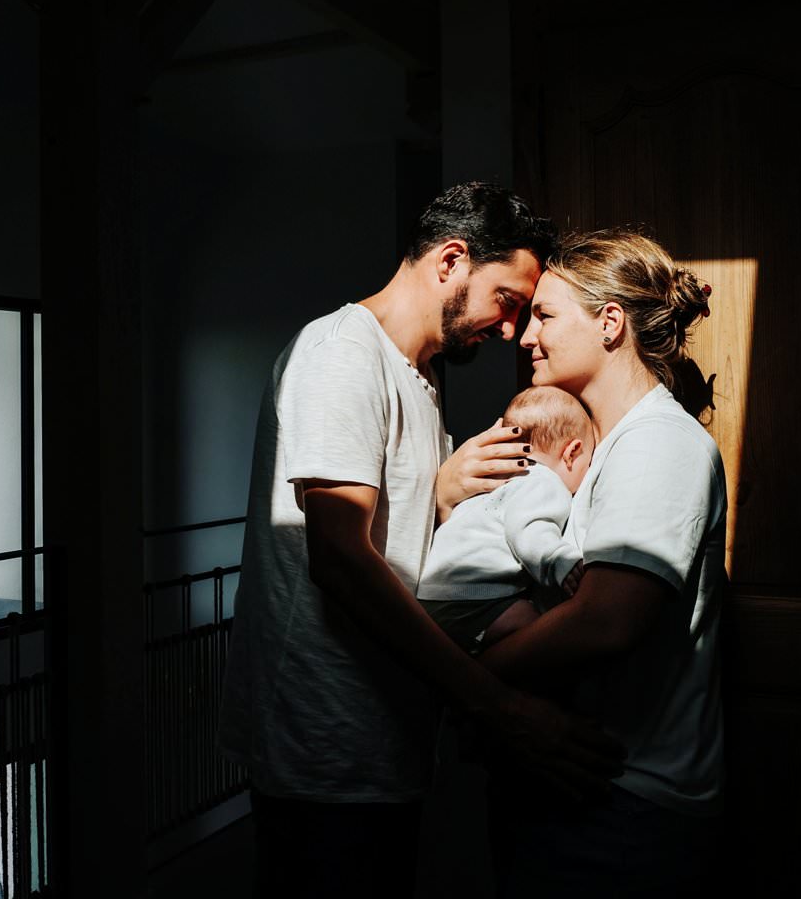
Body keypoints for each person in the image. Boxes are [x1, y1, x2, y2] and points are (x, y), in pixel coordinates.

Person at [218, 182, 624, 898]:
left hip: (381, 735)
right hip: (324, 745)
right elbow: (341, 558)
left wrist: (440, 491)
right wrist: (495, 704)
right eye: (506, 300)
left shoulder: (420, 377)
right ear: (451, 261)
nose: (510, 331)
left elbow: (386, 534)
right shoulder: (343, 352)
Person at [480, 226, 725, 897]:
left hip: (628, 806)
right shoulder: (609, 446)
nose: (527, 335)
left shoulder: (659, 446)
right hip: (586, 790)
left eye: (546, 316)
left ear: (610, 323)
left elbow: (608, 619)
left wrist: (474, 681)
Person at [415, 385, 594, 656]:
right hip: (477, 597)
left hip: (433, 594)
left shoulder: (494, 481)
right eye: (588, 462)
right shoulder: (544, 482)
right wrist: (561, 561)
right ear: (572, 453)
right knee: (542, 632)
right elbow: (529, 530)